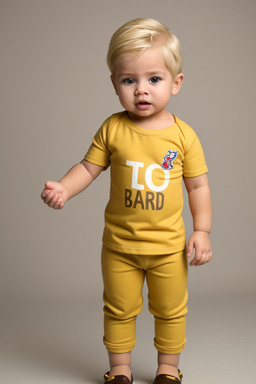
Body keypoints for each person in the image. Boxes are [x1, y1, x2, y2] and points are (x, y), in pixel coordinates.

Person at [41, 18, 212, 384]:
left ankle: (168, 368)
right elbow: (88, 168)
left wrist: (202, 230)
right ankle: (119, 369)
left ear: (176, 82)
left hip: (168, 248)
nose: (141, 90)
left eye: (154, 78)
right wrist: (65, 189)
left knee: (170, 310)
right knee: (118, 309)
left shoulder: (184, 136)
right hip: (119, 246)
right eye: (128, 80)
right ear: (114, 83)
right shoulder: (113, 128)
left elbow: (197, 187)